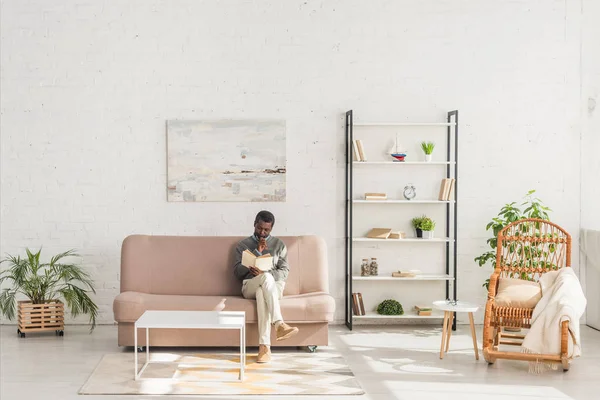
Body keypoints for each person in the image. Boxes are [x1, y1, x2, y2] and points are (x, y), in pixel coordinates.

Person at [233, 210, 299, 363]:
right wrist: (256, 253)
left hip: (273, 287)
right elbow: (237, 272)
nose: (262, 232)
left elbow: (284, 272)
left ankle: (264, 347)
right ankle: (279, 324)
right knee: (263, 281)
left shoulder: (279, 245)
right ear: (254, 225)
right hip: (249, 284)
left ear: (271, 229)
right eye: (259, 228)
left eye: (266, 230)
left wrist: (264, 272)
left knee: (262, 290)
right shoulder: (243, 245)